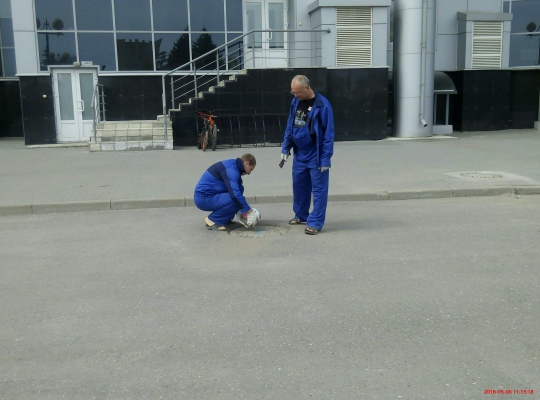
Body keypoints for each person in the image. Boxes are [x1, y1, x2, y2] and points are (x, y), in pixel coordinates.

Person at [280, 75, 335, 235]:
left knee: (318, 191)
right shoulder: (295, 102)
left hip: (315, 155)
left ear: (307, 88)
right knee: (299, 186)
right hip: (299, 154)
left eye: (297, 92)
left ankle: (315, 222)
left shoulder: (323, 105)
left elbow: (329, 134)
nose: (295, 95)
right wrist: (285, 148)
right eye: (293, 92)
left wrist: (325, 158)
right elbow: (290, 125)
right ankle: (301, 215)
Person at [194, 153, 261, 231]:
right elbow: (235, 195)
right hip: (203, 198)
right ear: (247, 163)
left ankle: (225, 218)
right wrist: (249, 211)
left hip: (208, 195)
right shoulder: (232, 170)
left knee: (240, 190)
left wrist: (244, 209)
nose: (249, 173)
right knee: (236, 199)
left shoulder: (233, 165)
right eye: (251, 169)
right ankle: (213, 220)